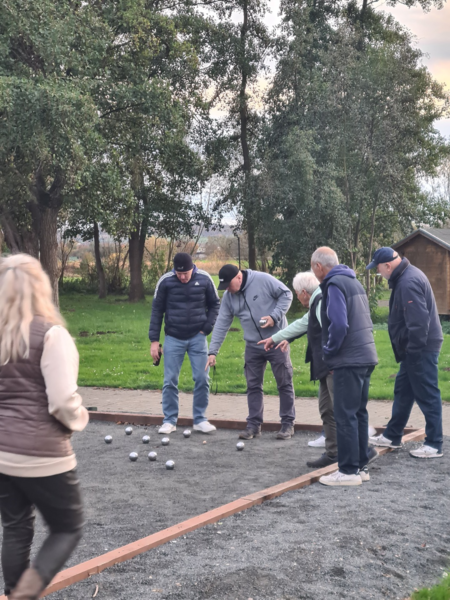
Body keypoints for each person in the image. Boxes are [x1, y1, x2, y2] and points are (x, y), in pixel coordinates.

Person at [0, 254, 89, 600]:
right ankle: (23, 595)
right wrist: (79, 419)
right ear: (41, 288)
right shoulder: (52, 335)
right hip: (42, 453)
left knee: (16, 526)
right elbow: (63, 401)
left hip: (2, 453)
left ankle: (13, 592)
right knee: (68, 527)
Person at [259, 271, 378, 469]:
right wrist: (276, 338)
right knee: (327, 409)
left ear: (303, 292)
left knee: (342, 411)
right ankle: (334, 453)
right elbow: (305, 323)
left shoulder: (322, 299)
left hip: (333, 365)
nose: (297, 298)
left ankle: (362, 452)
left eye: (297, 294)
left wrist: (331, 357)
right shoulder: (318, 300)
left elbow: (334, 329)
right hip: (327, 365)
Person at [366, 247, 444, 458]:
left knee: (427, 394)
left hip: (421, 348)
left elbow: (419, 323)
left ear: (388, 266)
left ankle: (435, 443)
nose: (378, 273)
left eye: (378, 268)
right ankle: (392, 435)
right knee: (403, 391)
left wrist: (413, 352)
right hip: (416, 347)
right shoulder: (405, 277)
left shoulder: (408, 282)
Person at [311, 247, 378, 487]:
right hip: (366, 355)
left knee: (344, 415)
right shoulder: (354, 282)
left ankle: (348, 471)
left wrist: (329, 351)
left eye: (313, 268)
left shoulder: (333, 284)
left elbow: (339, 324)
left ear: (319, 266)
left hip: (348, 359)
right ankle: (360, 467)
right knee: (358, 413)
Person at [205, 264, 296, 440]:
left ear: (239, 277)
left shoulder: (263, 280)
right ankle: (254, 425)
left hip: (276, 341)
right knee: (253, 385)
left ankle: (287, 424)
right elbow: (222, 322)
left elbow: (286, 294)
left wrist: (275, 316)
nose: (228, 290)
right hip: (253, 346)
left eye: (229, 285)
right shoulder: (229, 297)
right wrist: (213, 351)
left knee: (284, 383)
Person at [149, 252, 220, 434]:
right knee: (170, 380)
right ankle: (169, 421)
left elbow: (215, 304)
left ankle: (200, 419)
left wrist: (207, 327)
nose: (182, 277)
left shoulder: (204, 279)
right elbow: (157, 311)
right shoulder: (165, 281)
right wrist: (154, 341)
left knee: (202, 378)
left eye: (185, 274)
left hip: (198, 337)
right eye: (179, 274)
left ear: (192, 268)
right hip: (173, 337)